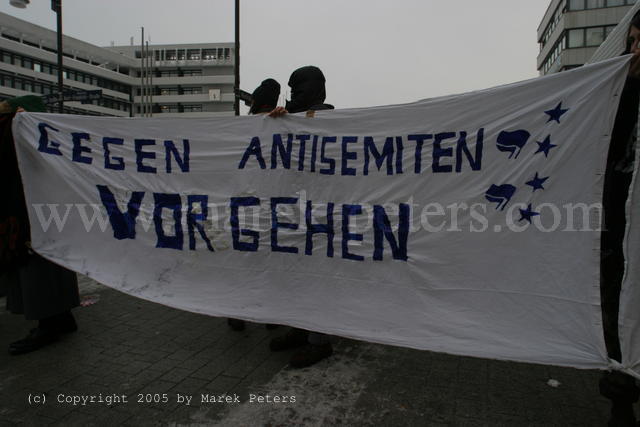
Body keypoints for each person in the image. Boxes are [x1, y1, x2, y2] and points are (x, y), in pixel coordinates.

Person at [0, 95, 80, 355]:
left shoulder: (27, 139)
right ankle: (61, 317)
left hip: (32, 218)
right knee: (51, 268)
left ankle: (48, 323)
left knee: (39, 271)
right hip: (44, 215)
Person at [267, 66, 335, 368]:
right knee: (297, 279)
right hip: (295, 212)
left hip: (321, 215)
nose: (294, 95)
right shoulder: (289, 120)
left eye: (299, 89)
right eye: (291, 90)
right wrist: (277, 123)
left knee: (318, 281)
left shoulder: (331, 120)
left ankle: (320, 341)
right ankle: (300, 327)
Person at [599, 11, 640, 427]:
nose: (635, 50)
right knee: (619, 314)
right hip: (620, 235)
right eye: (632, 41)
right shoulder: (623, 95)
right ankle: (622, 399)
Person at [227, 78, 281, 332]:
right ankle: (265, 314)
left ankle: (241, 312)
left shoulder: (252, 126)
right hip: (260, 207)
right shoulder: (272, 125)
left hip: (250, 205)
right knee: (264, 263)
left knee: (248, 263)